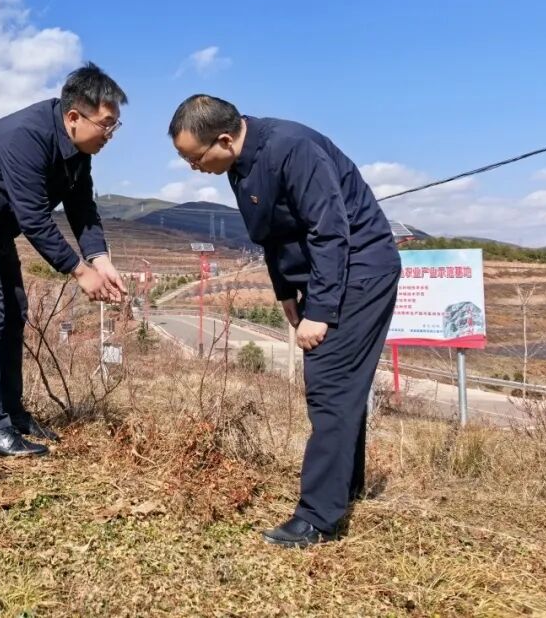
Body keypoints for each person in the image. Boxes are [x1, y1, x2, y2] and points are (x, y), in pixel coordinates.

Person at [167, 94, 400, 547]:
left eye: (195, 158)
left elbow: (329, 230)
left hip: (359, 270)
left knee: (330, 385)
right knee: (339, 387)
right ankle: (344, 488)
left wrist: (321, 311)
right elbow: (271, 234)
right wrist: (286, 294)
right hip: (324, 275)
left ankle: (318, 518)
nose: (194, 168)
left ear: (224, 140)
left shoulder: (293, 148)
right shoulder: (239, 167)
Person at [0, 63, 129, 457]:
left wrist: (100, 259)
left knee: (14, 312)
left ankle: (13, 415)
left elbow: (82, 207)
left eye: (114, 125)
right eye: (106, 125)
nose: (110, 135)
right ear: (74, 117)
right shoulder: (26, 136)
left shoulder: (78, 151)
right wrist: (79, 270)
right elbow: (34, 217)